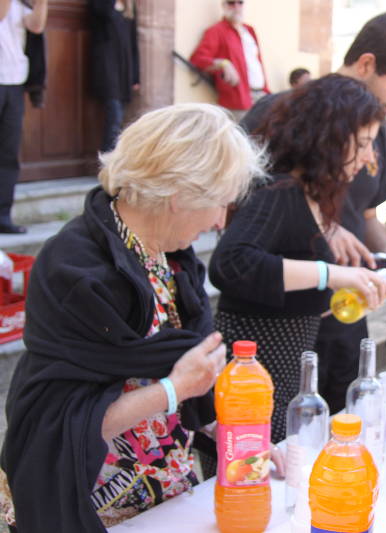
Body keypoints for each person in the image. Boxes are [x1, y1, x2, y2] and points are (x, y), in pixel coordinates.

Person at [0, 104, 267, 532]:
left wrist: (246, 444)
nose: (220, 221)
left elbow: (184, 386)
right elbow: (64, 419)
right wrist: (174, 388)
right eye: (220, 204)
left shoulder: (171, 257)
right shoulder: (76, 269)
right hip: (93, 501)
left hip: (165, 487)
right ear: (181, 193)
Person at [241, 11, 386, 413]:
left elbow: (364, 214)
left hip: (346, 312)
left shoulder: (373, 125)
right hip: (280, 317)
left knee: (343, 426)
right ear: (366, 64)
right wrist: (320, 229)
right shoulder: (280, 111)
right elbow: (241, 209)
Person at [209, 74, 386, 443]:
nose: (370, 157)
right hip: (255, 377)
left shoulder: (311, 194)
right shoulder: (281, 191)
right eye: (363, 144)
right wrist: (331, 275)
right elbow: (230, 264)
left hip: (281, 372)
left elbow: (288, 288)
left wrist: (352, 290)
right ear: (330, 138)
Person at [0, 0, 47, 234]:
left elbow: (36, 26)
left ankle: (3, 215)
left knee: (9, 153)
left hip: (15, 82)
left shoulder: (21, 4)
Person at [190, 0, 269, 120]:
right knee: (243, 136)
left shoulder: (249, 30)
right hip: (239, 99)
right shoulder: (216, 31)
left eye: (240, 2)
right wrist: (223, 63)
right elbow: (198, 58)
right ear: (224, 6)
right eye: (231, 3)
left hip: (261, 95)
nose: (236, 7)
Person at [89, 0, 139, 153]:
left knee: (120, 117)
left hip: (124, 68)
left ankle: (112, 158)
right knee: (114, 113)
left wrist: (136, 77)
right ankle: (108, 161)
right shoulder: (102, 4)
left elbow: (133, 44)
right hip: (106, 64)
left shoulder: (129, 8)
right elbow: (104, 14)